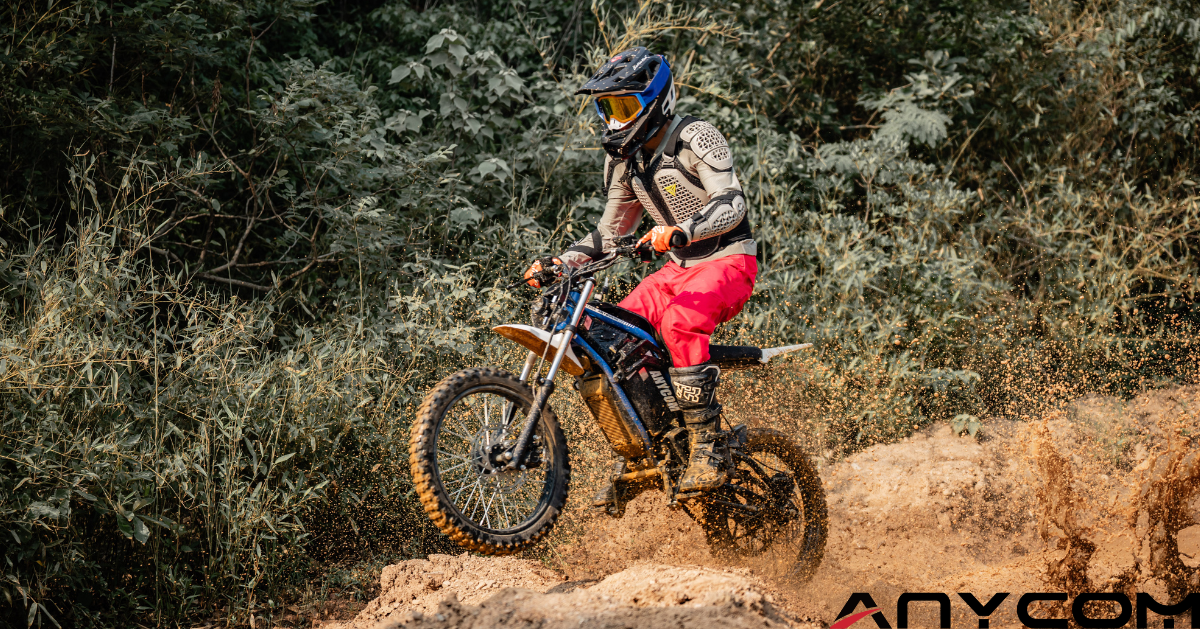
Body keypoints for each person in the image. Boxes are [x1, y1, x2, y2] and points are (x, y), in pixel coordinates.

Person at [524, 47, 757, 504]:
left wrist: (681, 231)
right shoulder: (623, 160)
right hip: (677, 269)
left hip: (728, 260)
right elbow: (609, 233)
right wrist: (560, 263)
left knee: (678, 324)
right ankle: (645, 449)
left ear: (657, 100)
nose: (615, 119)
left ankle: (708, 446)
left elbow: (732, 202)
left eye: (625, 106)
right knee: (608, 337)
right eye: (607, 108)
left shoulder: (695, 136)